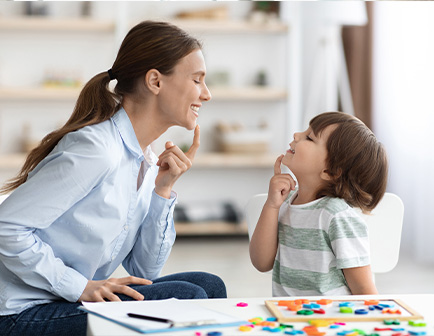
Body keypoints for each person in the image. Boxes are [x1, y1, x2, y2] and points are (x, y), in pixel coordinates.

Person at [0, 20, 226, 336]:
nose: (207, 94)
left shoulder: (146, 160)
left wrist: (162, 190)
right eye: (197, 80)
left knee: (207, 284)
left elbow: (144, 270)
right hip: (20, 313)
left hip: (64, 302)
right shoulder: (97, 150)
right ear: (155, 81)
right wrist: (80, 287)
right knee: (191, 298)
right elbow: (6, 226)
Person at [249, 112, 388, 297]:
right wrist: (272, 206)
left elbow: (364, 290)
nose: (296, 135)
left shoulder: (336, 216)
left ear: (330, 171)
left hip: (331, 321)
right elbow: (261, 262)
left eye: (309, 137)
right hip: (287, 317)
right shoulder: (285, 202)